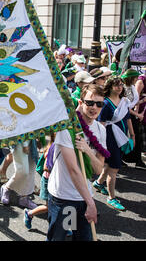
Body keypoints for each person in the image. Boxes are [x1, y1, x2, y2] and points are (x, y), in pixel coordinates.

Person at [47, 84, 106, 241]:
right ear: (80, 102)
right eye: (90, 103)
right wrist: (91, 203)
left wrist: (87, 150)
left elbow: (99, 169)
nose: (94, 107)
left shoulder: (101, 131)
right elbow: (73, 170)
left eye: (99, 104)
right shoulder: (67, 128)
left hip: (83, 197)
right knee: (59, 238)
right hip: (65, 198)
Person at [93, 76, 134, 211]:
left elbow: (128, 118)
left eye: (121, 85)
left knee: (111, 164)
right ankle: (111, 198)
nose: (119, 87)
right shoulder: (105, 103)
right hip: (110, 138)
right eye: (116, 85)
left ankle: (99, 183)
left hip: (122, 137)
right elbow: (101, 124)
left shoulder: (123, 101)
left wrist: (132, 135)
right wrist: (101, 143)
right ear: (110, 87)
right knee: (114, 168)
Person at [0, 140, 39, 209]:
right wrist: (25, 144)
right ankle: (6, 187)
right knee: (23, 171)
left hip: (33, 138)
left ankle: (24, 198)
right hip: (20, 140)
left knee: (31, 169)